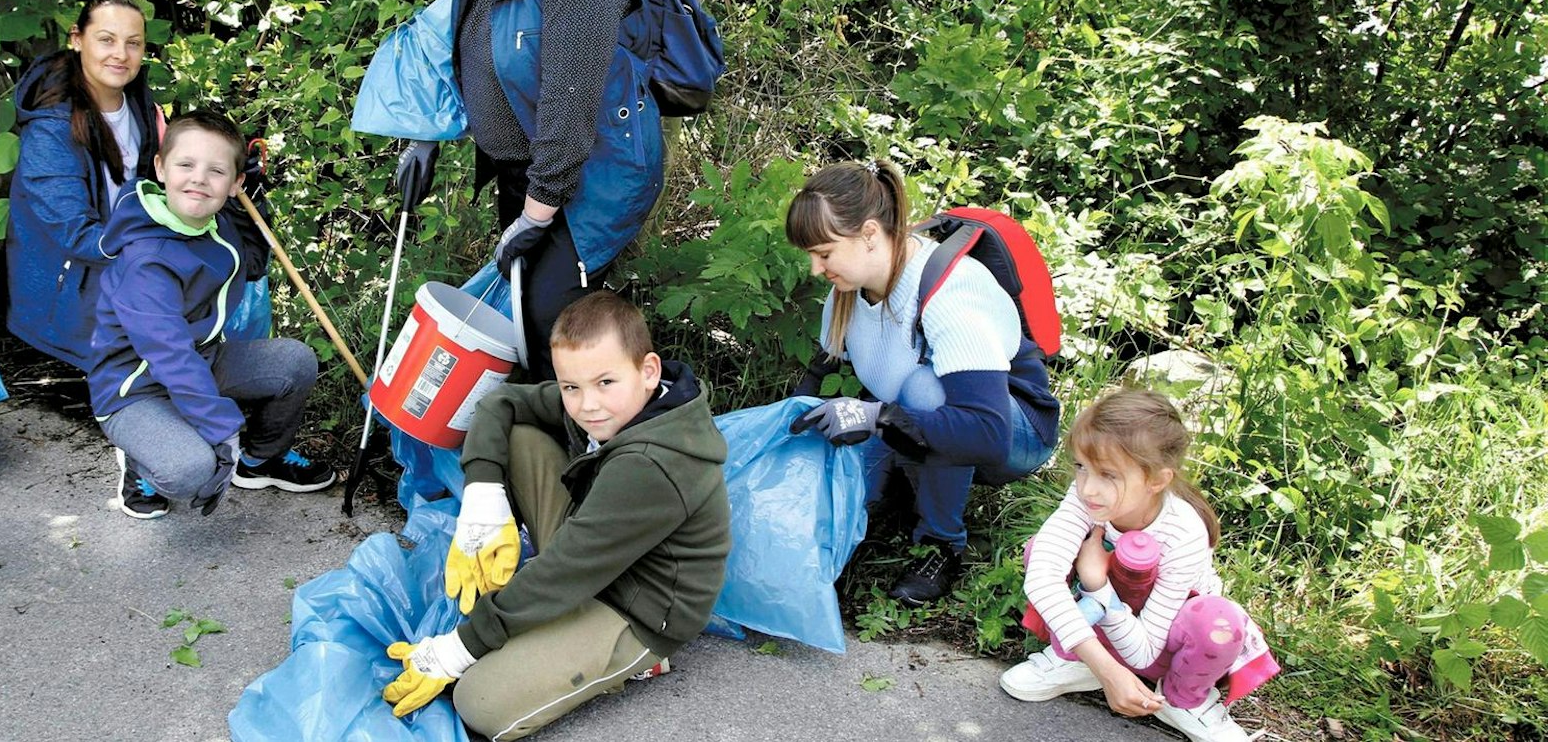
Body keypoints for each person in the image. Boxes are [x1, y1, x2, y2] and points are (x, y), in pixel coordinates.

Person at [393, 0, 664, 378]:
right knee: (526, 327)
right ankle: (540, 455)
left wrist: (535, 217)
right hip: (528, 172)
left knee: (557, 329)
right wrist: (425, 131)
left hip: (591, 172)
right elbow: (458, 37)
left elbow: (570, 108)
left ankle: (613, 455)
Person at [381, 291, 730, 740]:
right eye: (571, 387)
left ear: (648, 371)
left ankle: (637, 661)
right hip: (594, 547)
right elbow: (501, 402)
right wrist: (482, 498)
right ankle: (541, 618)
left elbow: (565, 571)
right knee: (519, 435)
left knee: (478, 703)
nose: (587, 406)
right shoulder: (610, 407)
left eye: (605, 383)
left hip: (636, 608)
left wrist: (460, 648)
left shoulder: (652, 465)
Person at [783, 161, 1057, 604]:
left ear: (870, 234)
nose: (816, 269)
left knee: (924, 391)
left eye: (825, 253)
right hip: (907, 411)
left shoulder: (952, 292)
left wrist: (879, 418)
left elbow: (986, 433)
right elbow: (819, 375)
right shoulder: (846, 295)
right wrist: (786, 432)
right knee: (845, 506)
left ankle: (942, 545)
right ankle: (901, 493)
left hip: (1013, 431)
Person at [85, 110, 334, 520]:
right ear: (161, 168)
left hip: (200, 358)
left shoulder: (214, 222)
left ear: (235, 183)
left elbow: (251, 264)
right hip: (135, 388)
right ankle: (141, 464)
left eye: (216, 170)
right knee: (192, 469)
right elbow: (170, 355)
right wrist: (223, 432)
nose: (199, 178)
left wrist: (249, 203)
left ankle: (260, 462)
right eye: (186, 165)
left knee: (295, 361)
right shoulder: (147, 260)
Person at [999, 389, 1278, 742]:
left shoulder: (1184, 531)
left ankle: (1182, 700)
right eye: (1081, 468)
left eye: (1108, 475)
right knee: (1041, 550)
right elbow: (1042, 577)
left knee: (1219, 620)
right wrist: (1106, 668)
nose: (1088, 489)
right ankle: (1076, 661)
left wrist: (1097, 586)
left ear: (1157, 480)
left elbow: (1145, 650)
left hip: (1163, 646)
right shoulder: (1086, 498)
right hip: (1105, 633)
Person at [7, 0, 163, 368]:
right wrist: (157, 253)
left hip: (121, 270)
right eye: (106, 40)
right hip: (68, 302)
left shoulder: (142, 106)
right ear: (77, 39)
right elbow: (74, 233)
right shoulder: (51, 128)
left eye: (133, 44)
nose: (120, 55)